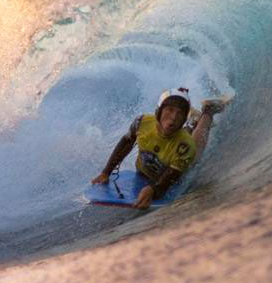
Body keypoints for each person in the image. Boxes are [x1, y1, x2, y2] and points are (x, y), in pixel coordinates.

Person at [90, 87, 227, 209]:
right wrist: (106, 172)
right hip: (146, 171)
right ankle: (192, 121)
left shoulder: (186, 147)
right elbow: (126, 143)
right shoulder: (141, 123)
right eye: (169, 110)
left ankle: (208, 112)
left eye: (180, 114)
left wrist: (153, 190)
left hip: (177, 164)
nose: (173, 117)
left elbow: (171, 178)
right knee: (174, 131)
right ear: (159, 112)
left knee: (195, 149)